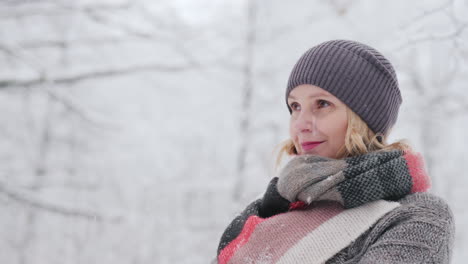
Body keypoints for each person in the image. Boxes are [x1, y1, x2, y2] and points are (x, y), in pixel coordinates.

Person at [215, 40, 455, 264]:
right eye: (295, 106)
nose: (300, 123)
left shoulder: (416, 216)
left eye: (322, 104)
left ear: (364, 118)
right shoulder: (267, 212)